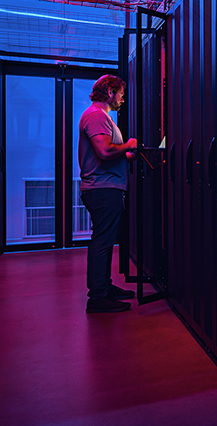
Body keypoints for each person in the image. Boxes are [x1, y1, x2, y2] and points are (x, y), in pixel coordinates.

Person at [78, 74, 138, 313]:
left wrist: (126, 155)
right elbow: (103, 151)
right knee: (102, 242)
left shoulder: (102, 117)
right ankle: (98, 297)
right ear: (111, 92)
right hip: (102, 188)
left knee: (104, 240)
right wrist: (130, 144)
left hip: (105, 187)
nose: (123, 99)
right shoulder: (95, 116)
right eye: (121, 94)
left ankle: (104, 287)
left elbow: (110, 152)